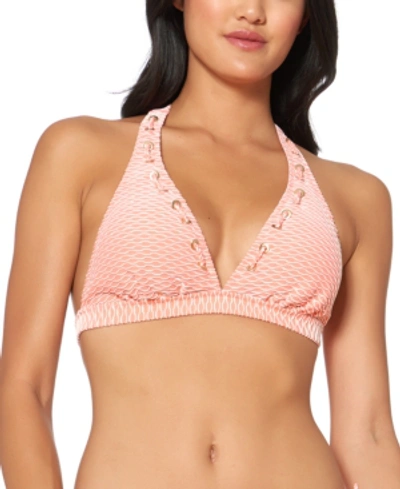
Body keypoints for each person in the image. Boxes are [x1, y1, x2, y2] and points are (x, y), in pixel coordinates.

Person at [0, 0, 399, 488]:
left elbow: (369, 431)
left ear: (306, 16)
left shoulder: (357, 198)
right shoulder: (79, 154)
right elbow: (25, 388)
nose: (252, 11)